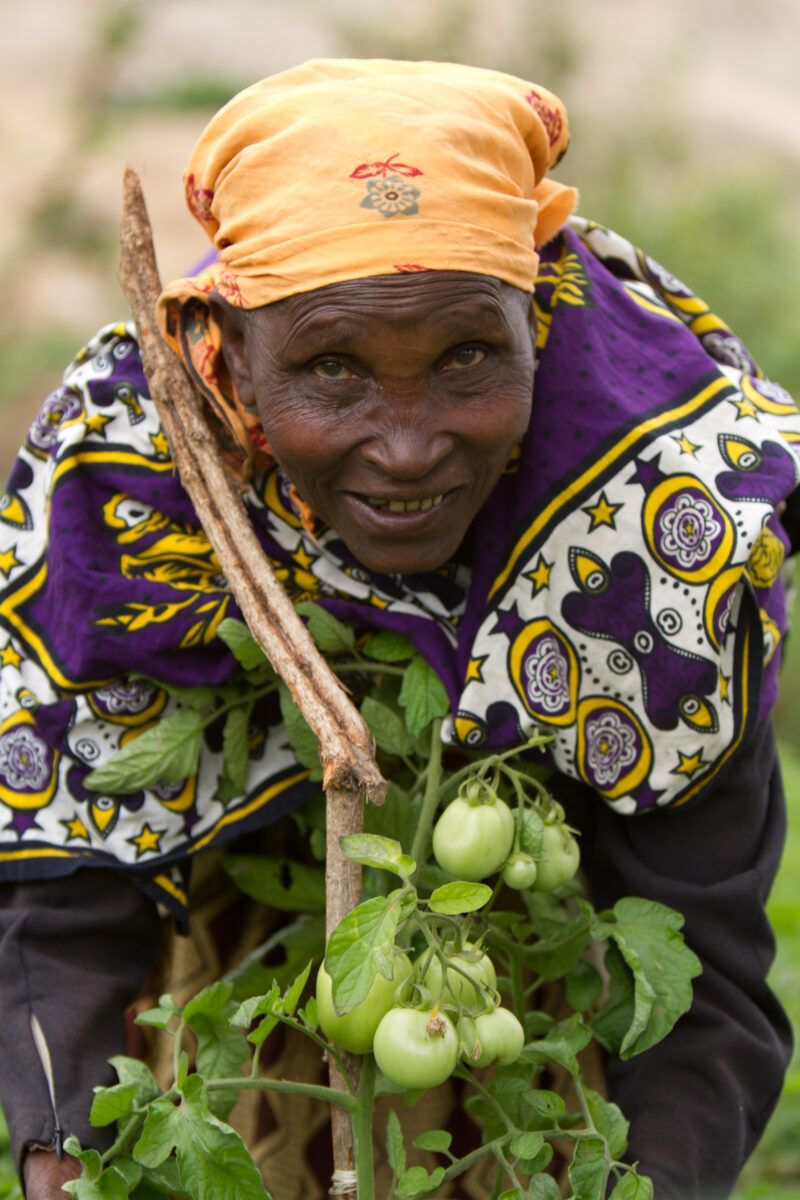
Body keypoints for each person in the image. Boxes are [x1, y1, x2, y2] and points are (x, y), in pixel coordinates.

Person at [0, 58, 796, 1200]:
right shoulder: (134, 486)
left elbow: (704, 968)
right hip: (243, 952)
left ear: (538, 319)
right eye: (332, 369)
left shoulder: (659, 514)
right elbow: (59, 865)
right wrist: (60, 1151)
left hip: (537, 1008)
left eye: (466, 356)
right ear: (227, 349)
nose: (409, 444)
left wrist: (651, 1181)